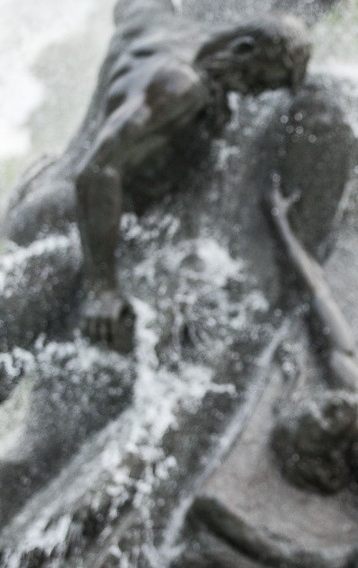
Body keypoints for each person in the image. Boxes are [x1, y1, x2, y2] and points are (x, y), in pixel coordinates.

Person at [75, 11, 312, 350]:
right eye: (255, 81)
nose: (254, 95)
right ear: (243, 50)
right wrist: (103, 290)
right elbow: (98, 170)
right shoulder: (181, 87)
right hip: (87, 227)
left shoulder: (166, 26)